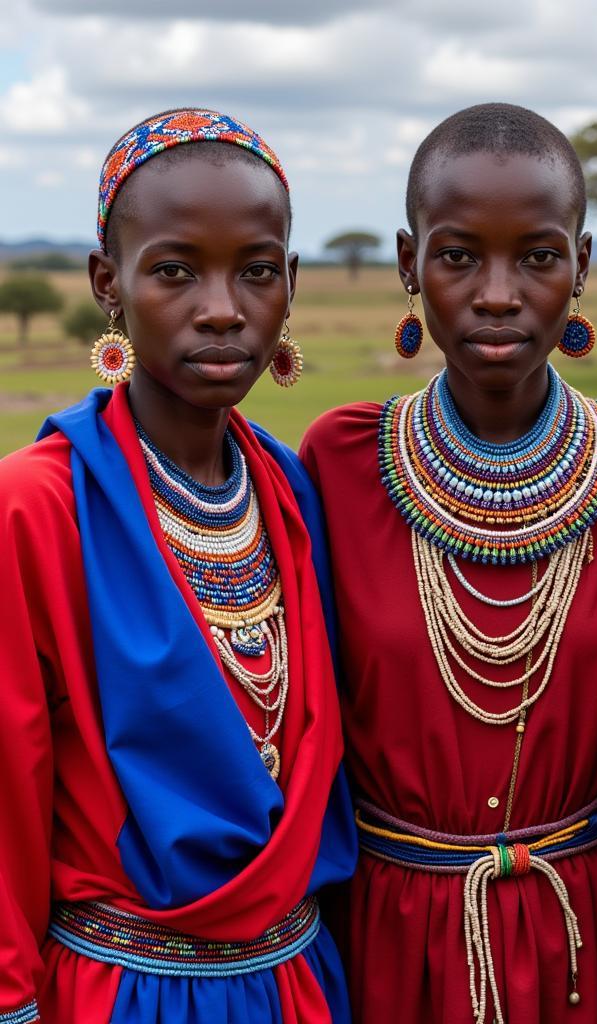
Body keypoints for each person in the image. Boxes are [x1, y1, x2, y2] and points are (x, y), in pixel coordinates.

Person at [301, 103, 597, 1024]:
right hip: (385, 934)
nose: (499, 293)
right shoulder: (338, 463)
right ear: (408, 263)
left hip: (583, 937)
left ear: (582, 267)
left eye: (539, 257)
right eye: (459, 254)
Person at [0, 108, 356, 1023]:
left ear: (290, 286)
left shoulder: (290, 488)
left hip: (298, 981)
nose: (223, 309)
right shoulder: (36, 506)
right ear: (105, 283)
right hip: (123, 991)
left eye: (257, 272)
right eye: (173, 271)